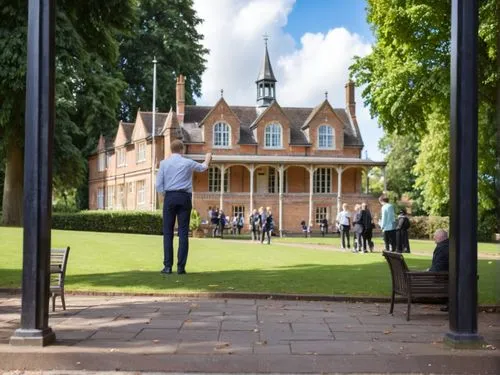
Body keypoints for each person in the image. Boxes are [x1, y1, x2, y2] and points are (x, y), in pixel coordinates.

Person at [155, 140, 211, 275]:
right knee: (183, 233)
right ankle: (181, 268)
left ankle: (167, 267)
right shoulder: (187, 162)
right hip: (184, 197)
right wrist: (208, 158)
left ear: (171, 149)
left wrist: (164, 195)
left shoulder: (164, 163)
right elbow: (203, 167)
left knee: (168, 233)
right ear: (182, 149)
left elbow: (158, 185)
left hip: (169, 197)